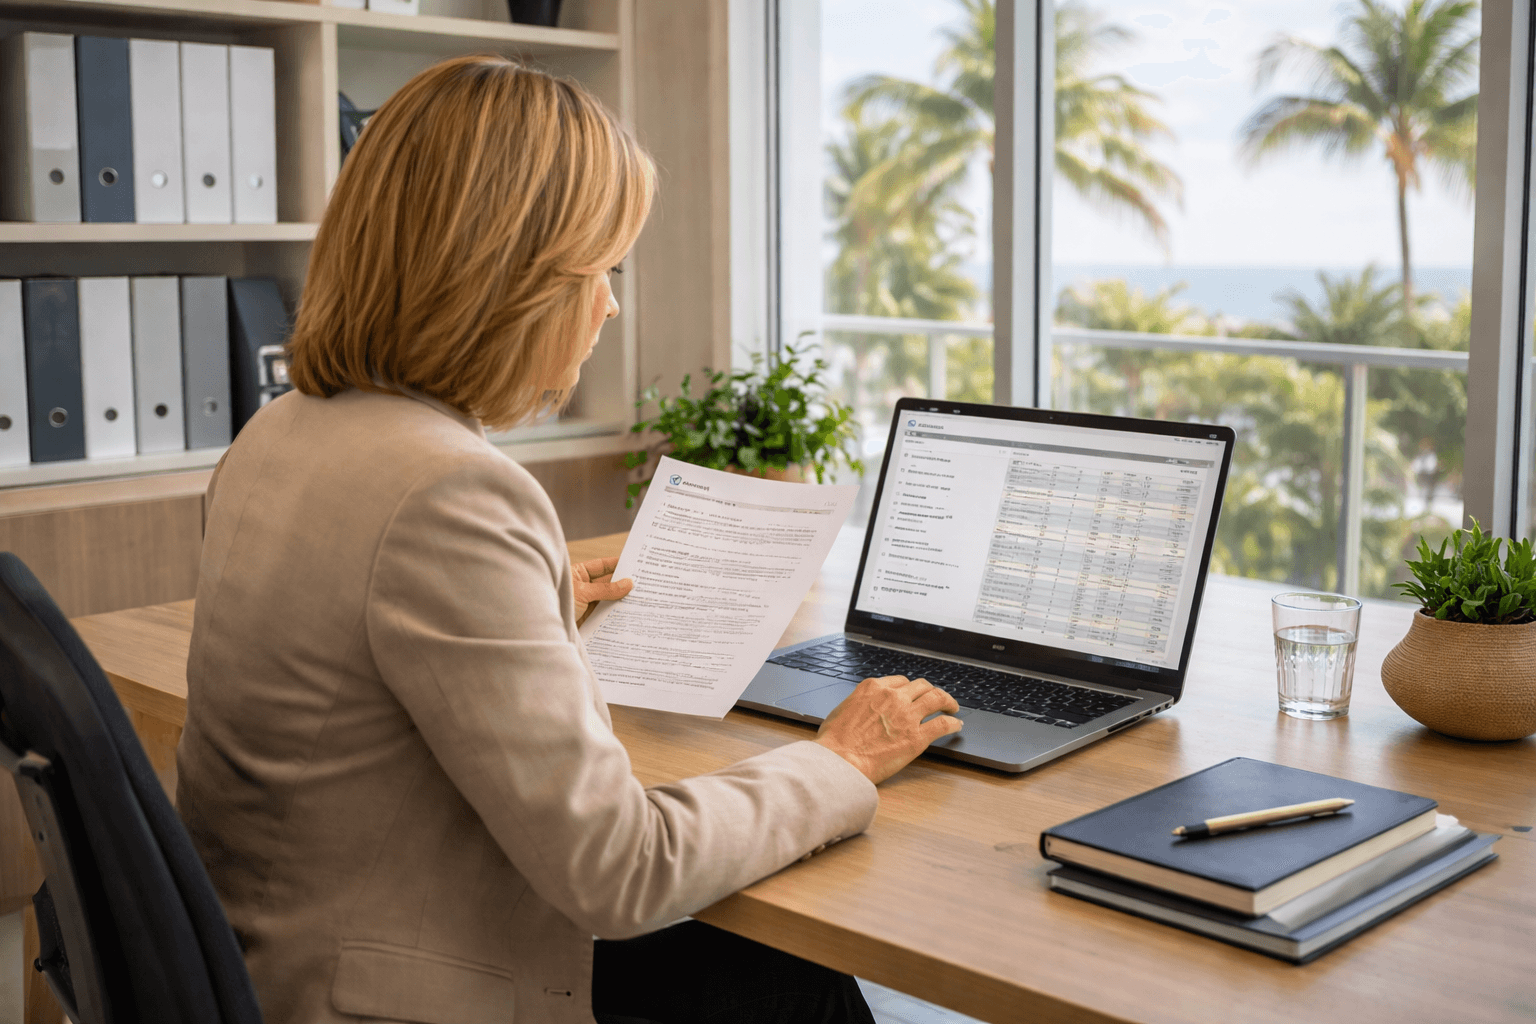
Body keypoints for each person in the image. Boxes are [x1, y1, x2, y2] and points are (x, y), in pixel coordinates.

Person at [175, 54, 962, 1024]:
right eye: (603, 271)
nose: (611, 305)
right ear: (512, 281)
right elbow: (621, 870)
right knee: (797, 988)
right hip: (389, 994)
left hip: (270, 960)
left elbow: (356, 649)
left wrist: (531, 608)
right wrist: (838, 760)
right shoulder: (450, 493)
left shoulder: (281, 431)